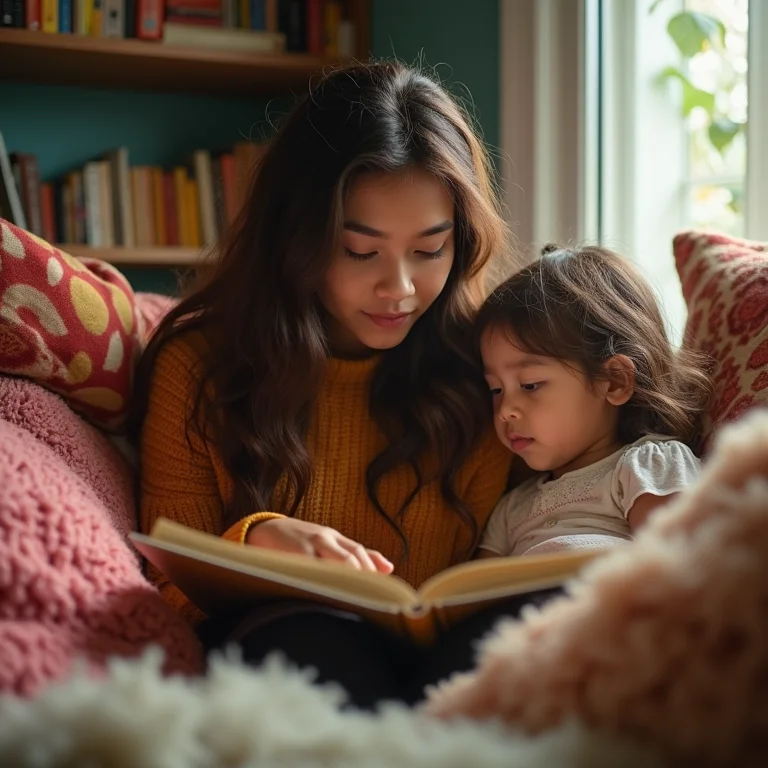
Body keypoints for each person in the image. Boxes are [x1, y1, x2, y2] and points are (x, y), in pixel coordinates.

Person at [130, 61, 525, 709]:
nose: (398, 288)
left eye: (430, 250)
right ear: (296, 239)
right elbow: (168, 594)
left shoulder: (484, 368)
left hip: (447, 667)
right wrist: (255, 541)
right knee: (310, 639)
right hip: (291, 664)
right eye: (360, 251)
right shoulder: (199, 366)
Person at [475, 244, 712, 560]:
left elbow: (676, 571)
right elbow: (472, 594)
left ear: (614, 381)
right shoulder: (513, 506)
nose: (505, 411)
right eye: (495, 390)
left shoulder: (647, 467)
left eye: (530, 385)